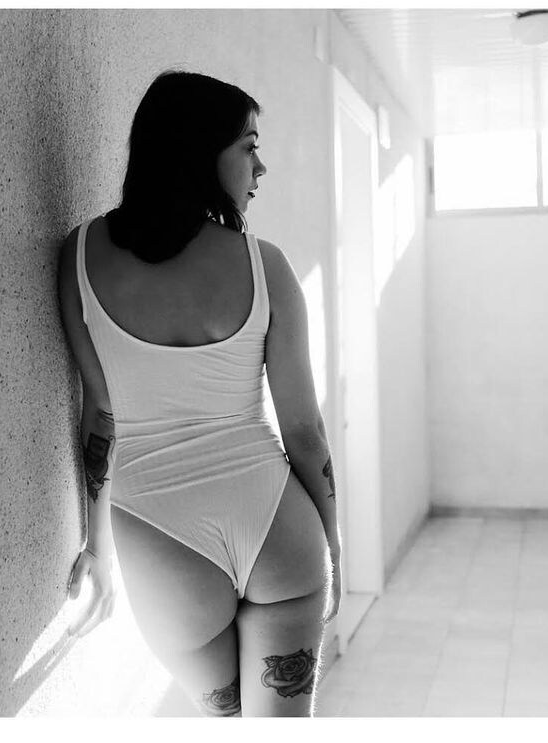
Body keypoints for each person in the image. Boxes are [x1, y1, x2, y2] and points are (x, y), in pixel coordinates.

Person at [57, 70, 341, 717]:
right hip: (278, 533)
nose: (260, 168)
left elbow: (99, 416)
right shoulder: (265, 266)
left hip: (163, 545)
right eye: (249, 147)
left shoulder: (79, 257)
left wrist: (97, 547)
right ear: (201, 151)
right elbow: (305, 433)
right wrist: (333, 539)